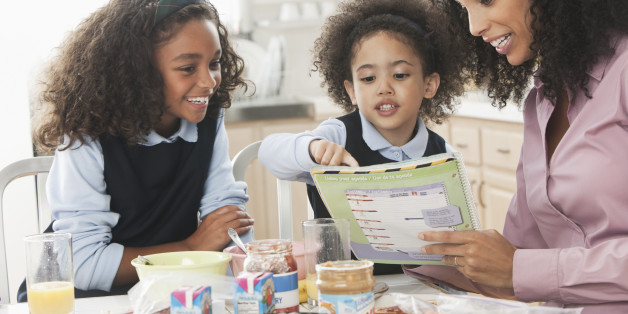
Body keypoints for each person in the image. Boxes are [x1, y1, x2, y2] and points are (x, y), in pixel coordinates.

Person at [405, 0, 628, 312]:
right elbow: (515, 258)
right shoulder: (543, 98)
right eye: (464, 8)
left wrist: (519, 268)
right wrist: (402, 245)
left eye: (485, 1)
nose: (474, 27)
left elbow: (520, 268)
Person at [23, 0, 255, 299]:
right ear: (138, 72)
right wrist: (191, 248)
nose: (209, 81)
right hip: (87, 298)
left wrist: (246, 266)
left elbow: (226, 222)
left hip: (168, 289)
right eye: (187, 68)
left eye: (214, 63)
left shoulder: (207, 117)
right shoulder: (86, 133)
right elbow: (80, 264)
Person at [258, 0, 473, 275]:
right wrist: (312, 149)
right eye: (368, 78)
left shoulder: (443, 153)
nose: (384, 88)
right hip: (339, 287)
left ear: (429, 84)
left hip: (421, 289)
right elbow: (269, 151)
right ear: (351, 90)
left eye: (400, 74)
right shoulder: (338, 135)